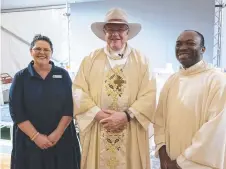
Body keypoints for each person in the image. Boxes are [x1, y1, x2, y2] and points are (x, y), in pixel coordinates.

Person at [73, 8, 156, 169]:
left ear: (127, 32)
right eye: (110, 29)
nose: (115, 34)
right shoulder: (90, 60)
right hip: (100, 125)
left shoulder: (142, 61)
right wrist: (97, 113)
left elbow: (149, 94)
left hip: (130, 127)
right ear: (104, 32)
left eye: (120, 29)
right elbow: (78, 90)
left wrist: (126, 115)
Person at [154, 30, 226, 169]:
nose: (183, 48)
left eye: (190, 43)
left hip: (199, 164)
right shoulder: (172, 80)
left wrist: (181, 163)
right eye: (178, 44)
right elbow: (159, 120)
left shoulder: (217, 81)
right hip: (170, 160)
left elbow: (215, 130)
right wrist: (164, 157)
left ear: (203, 49)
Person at [9, 34, 81, 169]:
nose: (42, 52)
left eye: (46, 50)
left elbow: (69, 106)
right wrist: (36, 137)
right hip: (29, 140)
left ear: (51, 53)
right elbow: (16, 111)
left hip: (61, 138)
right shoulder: (20, 77)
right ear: (31, 52)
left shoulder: (62, 75)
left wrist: (56, 134)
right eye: (38, 49)